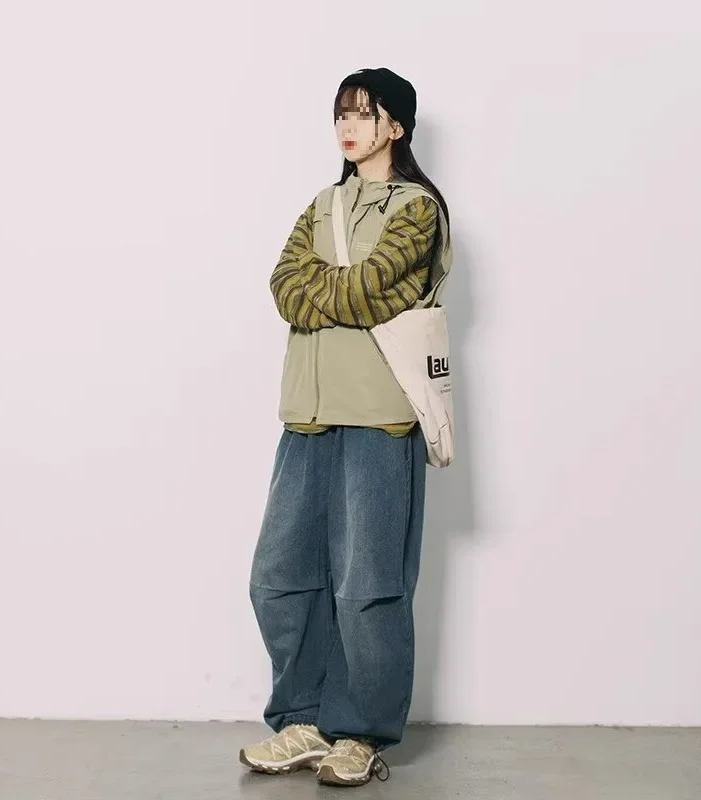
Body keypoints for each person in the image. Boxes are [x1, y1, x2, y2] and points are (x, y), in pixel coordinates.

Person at [239, 67, 453, 787]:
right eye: (341, 114)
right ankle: (301, 721)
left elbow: (372, 289)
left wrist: (327, 290)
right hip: (307, 412)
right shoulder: (322, 204)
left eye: (363, 113)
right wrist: (344, 291)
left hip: (379, 415)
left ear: (396, 125)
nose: (348, 127)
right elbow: (283, 286)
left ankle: (359, 733)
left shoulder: (418, 209)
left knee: (369, 587)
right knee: (280, 578)